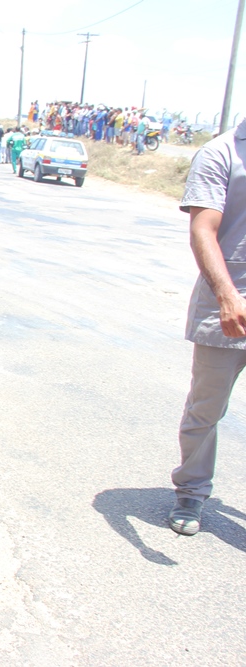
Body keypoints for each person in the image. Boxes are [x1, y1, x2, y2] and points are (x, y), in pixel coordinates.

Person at [169, 118, 246, 536]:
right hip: (230, 305)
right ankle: (192, 491)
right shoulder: (222, 153)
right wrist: (228, 296)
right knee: (206, 408)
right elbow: (203, 228)